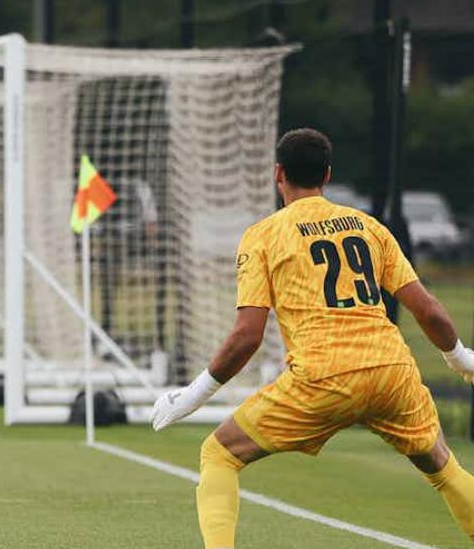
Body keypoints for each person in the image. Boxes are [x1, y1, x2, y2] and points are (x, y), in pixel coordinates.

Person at [151, 128, 474, 548]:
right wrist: (462, 359)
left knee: (220, 453)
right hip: (391, 369)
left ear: (278, 173)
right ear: (327, 175)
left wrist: (193, 395)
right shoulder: (368, 227)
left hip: (323, 376)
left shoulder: (264, 235)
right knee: (442, 466)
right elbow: (428, 309)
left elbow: (248, 335)